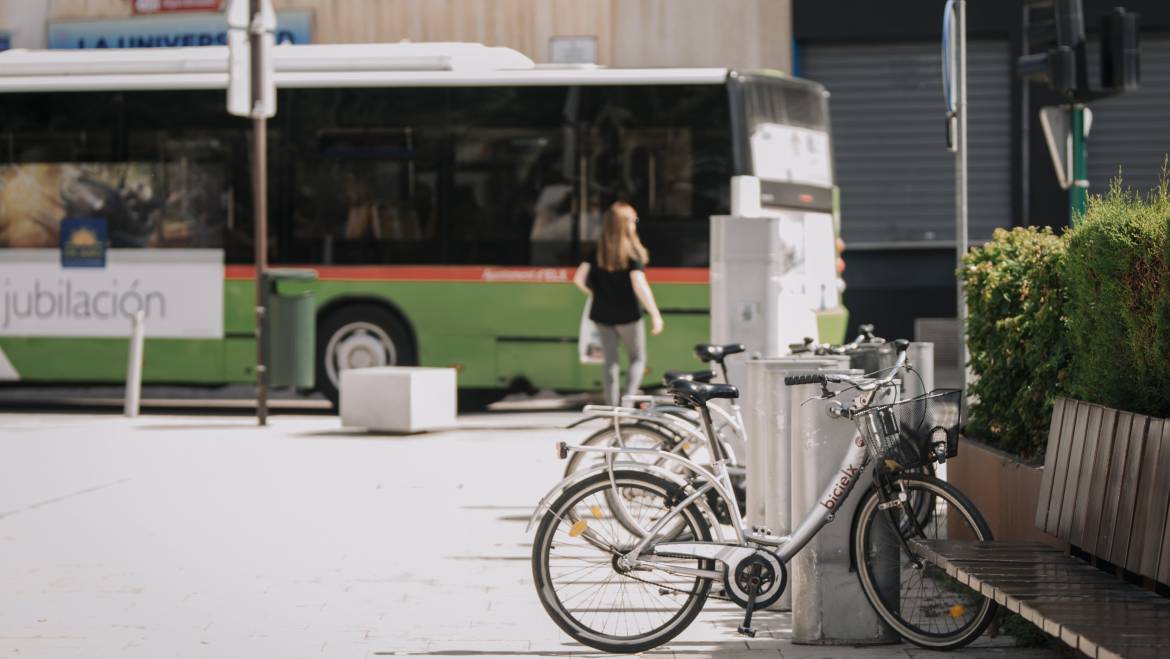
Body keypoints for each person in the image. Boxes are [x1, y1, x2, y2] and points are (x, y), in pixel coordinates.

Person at [573, 201, 664, 405]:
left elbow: (578, 278)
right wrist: (655, 314)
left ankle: (613, 408)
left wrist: (595, 293)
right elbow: (639, 283)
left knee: (610, 362)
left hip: (601, 314)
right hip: (628, 315)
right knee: (637, 359)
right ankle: (627, 405)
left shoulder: (598, 251)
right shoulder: (632, 252)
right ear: (627, 224)